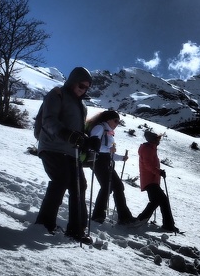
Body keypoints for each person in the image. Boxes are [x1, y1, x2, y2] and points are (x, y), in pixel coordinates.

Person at [35, 67, 101, 244]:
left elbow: (77, 132)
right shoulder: (57, 94)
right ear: (73, 81)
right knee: (61, 179)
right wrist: (66, 134)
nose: (84, 90)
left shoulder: (82, 105)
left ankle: (76, 230)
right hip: (52, 147)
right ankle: (44, 223)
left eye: (87, 88)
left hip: (71, 152)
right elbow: (48, 120)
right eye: (81, 85)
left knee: (80, 185)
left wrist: (88, 141)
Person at [85, 110, 136, 225]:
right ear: (108, 119)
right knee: (109, 186)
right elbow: (93, 146)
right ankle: (117, 216)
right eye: (116, 120)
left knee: (114, 186)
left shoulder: (108, 131)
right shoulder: (99, 128)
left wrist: (121, 158)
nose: (117, 123)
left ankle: (118, 216)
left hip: (105, 162)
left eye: (119, 121)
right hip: (98, 161)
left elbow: (109, 153)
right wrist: (109, 150)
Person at [136, 130, 178, 232]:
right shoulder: (147, 149)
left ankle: (142, 219)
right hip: (149, 180)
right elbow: (148, 165)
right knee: (162, 200)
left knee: (157, 201)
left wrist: (158, 172)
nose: (159, 141)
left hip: (152, 180)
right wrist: (159, 172)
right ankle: (167, 224)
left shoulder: (151, 148)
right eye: (157, 139)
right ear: (153, 140)